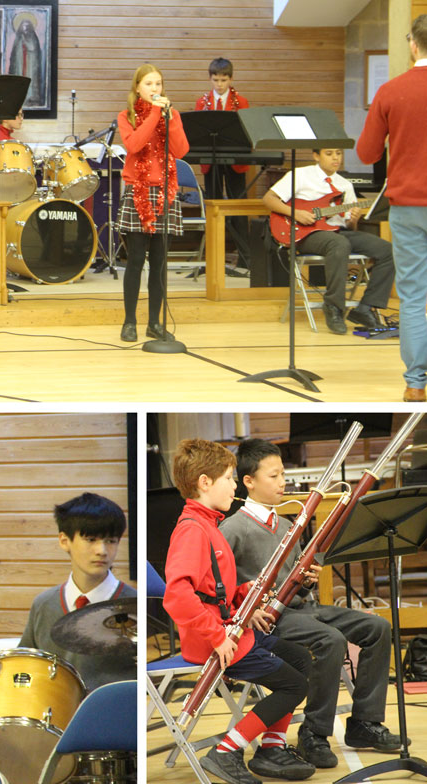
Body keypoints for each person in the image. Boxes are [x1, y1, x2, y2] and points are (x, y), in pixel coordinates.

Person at [220, 439, 404, 769]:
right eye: (274, 476)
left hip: (300, 608)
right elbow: (221, 586)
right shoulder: (232, 528)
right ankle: (314, 733)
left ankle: (365, 722)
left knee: (377, 627)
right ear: (248, 481)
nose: (283, 483)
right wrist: (248, 612)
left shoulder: (289, 525)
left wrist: (307, 580)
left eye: (283, 475)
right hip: (269, 619)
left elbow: (297, 584)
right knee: (328, 640)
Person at [164, 438, 315, 784]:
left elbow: (212, 587)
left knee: (300, 660)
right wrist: (217, 636)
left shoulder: (208, 523)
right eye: (230, 478)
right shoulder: (192, 530)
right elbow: (177, 594)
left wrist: (244, 591)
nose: (235, 485)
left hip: (230, 630)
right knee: (293, 685)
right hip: (214, 639)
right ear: (205, 482)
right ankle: (226, 750)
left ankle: (272, 749)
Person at [357, 14, 427, 402]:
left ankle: (416, 383)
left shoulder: (391, 90)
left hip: (407, 207)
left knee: (414, 296)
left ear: (413, 45)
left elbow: (367, 152)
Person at [263, 148, 395, 335]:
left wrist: (353, 219)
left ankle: (365, 308)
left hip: (335, 231)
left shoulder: (345, 185)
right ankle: (333, 307)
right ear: (316, 155)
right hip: (303, 232)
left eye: (339, 154)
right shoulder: (300, 175)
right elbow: (268, 198)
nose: (335, 158)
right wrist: (296, 213)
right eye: (329, 153)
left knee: (387, 250)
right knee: (339, 244)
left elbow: (348, 226)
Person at [19, 492, 136, 693]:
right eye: (91, 539)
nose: (102, 550)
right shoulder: (43, 604)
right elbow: (23, 668)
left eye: (111, 541)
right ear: (64, 541)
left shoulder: (136, 605)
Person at [117, 64, 189, 344]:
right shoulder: (127, 116)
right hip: (139, 192)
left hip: (165, 193)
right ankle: (129, 322)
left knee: (159, 263)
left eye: (158, 84)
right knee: (136, 261)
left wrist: (169, 118)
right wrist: (155, 114)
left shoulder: (171, 116)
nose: (155, 89)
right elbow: (134, 145)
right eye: (149, 84)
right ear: (137, 88)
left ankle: (154, 323)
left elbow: (181, 150)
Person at [194, 58, 251, 269]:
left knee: (238, 206)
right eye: (216, 80)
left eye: (223, 80)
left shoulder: (241, 102)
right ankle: (214, 258)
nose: (219, 84)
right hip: (211, 160)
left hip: (235, 159)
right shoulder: (202, 102)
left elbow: (245, 131)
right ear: (210, 78)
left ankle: (244, 258)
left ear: (231, 79)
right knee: (214, 206)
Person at [9, 16, 43, 105]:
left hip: (30, 65)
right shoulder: (18, 39)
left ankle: (31, 97)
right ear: (20, 27)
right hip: (19, 64)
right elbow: (14, 55)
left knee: (30, 79)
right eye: (24, 26)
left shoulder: (34, 39)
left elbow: (34, 51)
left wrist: (27, 45)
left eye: (27, 26)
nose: (26, 28)